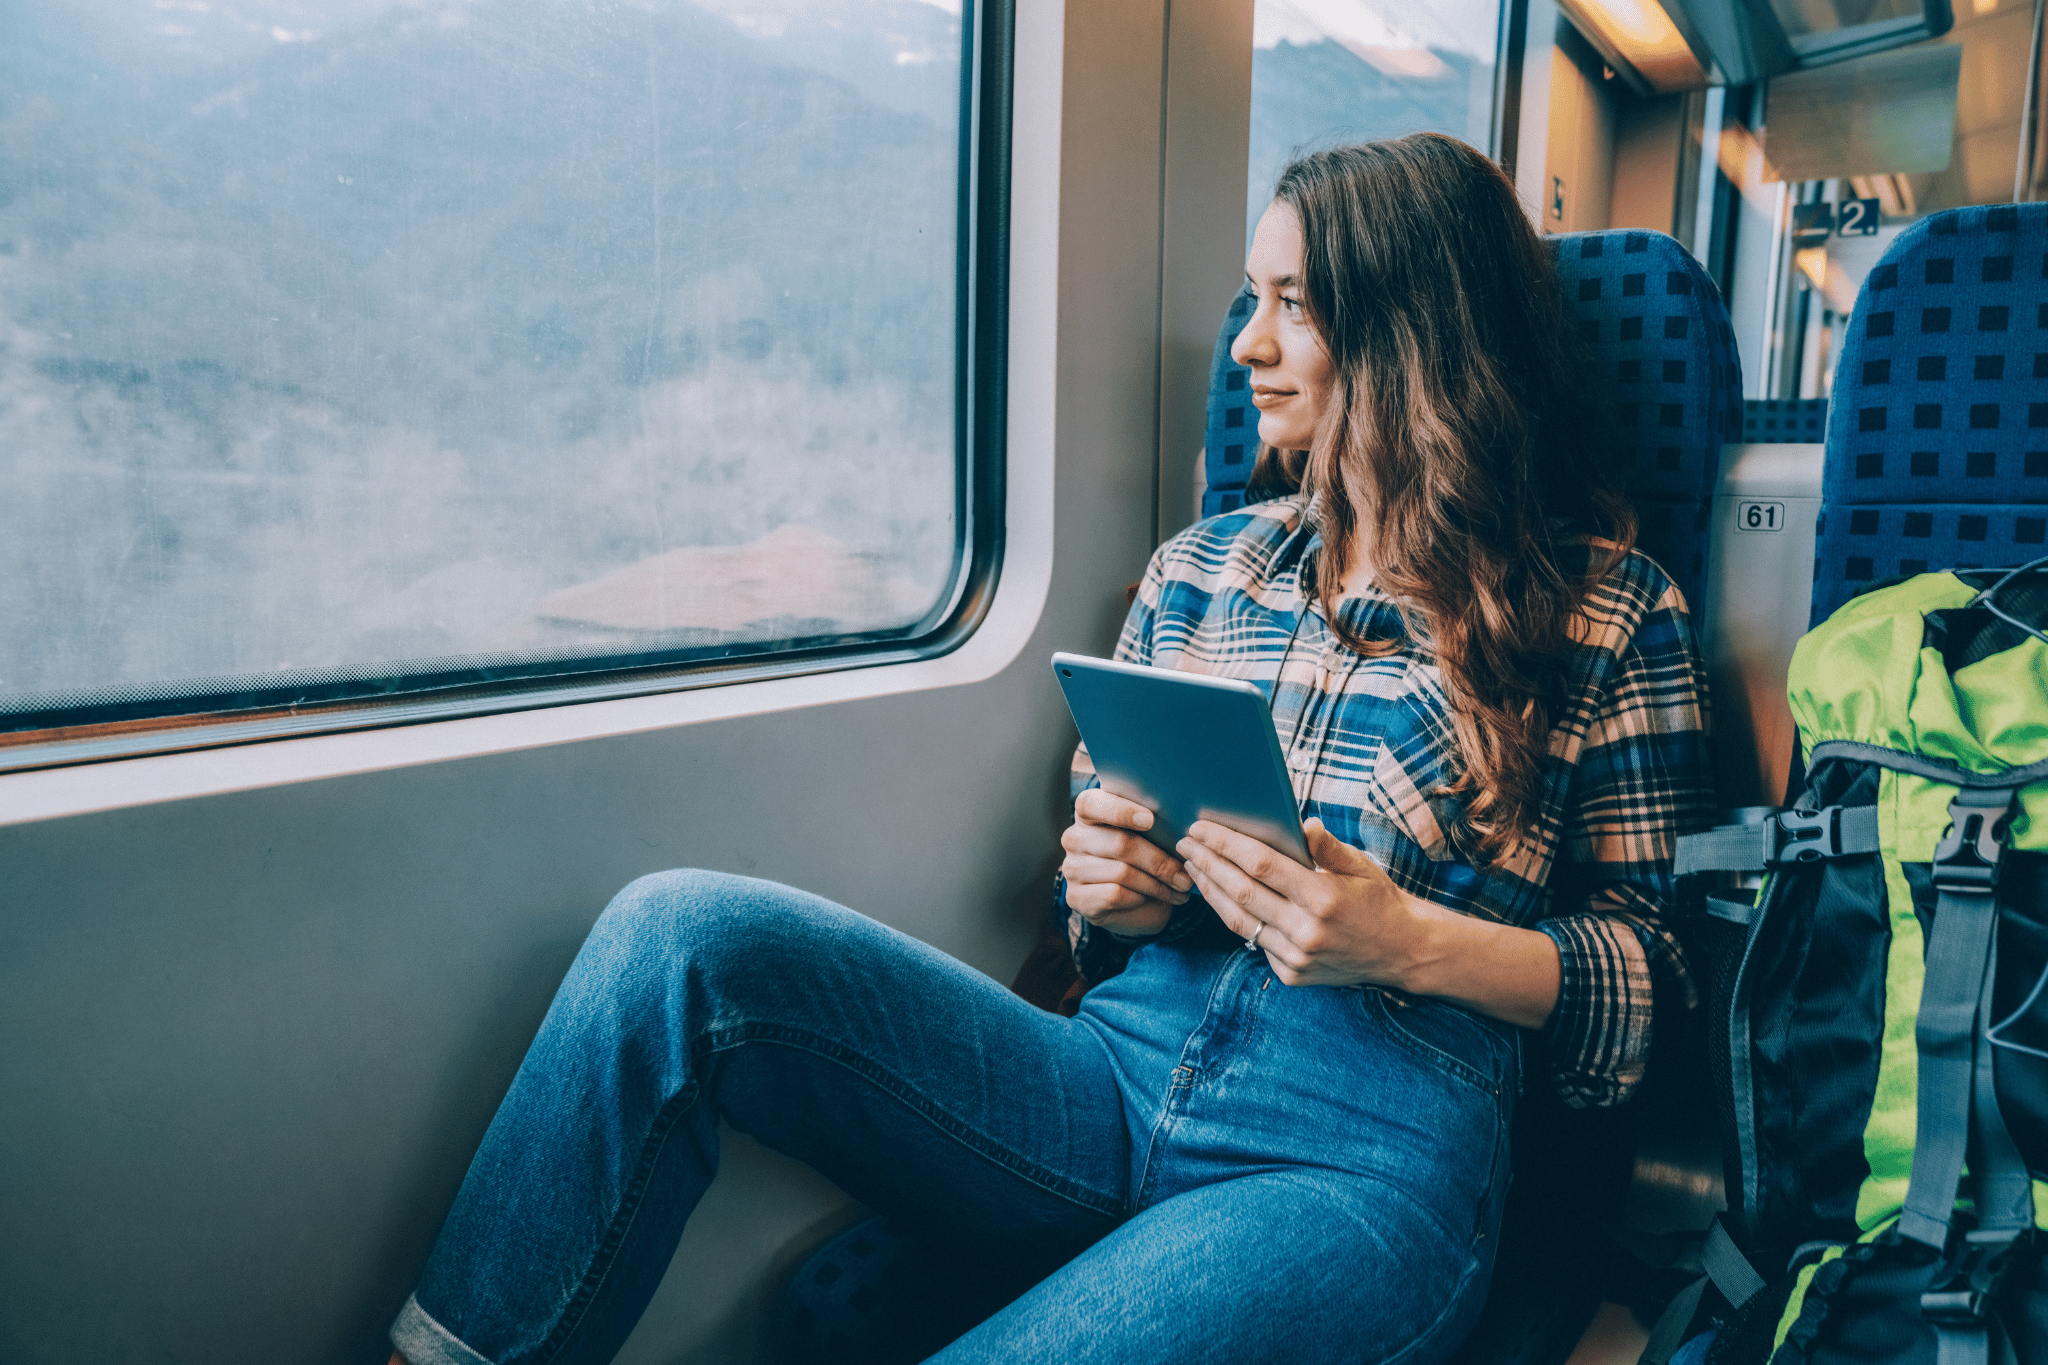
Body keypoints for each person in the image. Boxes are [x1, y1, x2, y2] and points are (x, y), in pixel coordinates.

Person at [386, 132, 1711, 1365]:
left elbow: (1650, 984)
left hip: (1357, 1156)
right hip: (1106, 1072)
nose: (1245, 345)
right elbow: (1103, 889)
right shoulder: (1199, 574)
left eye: (1293, 304)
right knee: (676, 937)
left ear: (1417, 330)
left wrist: (1408, 941)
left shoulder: (1608, 609)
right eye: (1251, 298)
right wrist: (1106, 893)